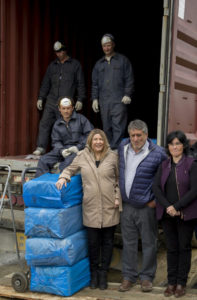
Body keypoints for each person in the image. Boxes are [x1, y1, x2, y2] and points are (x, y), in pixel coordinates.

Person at [56, 128, 122, 290]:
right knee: (93, 244)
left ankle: (103, 275)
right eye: (95, 139)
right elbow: (69, 169)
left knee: (107, 243)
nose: (98, 142)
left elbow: (120, 179)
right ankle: (93, 275)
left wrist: (117, 197)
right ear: (90, 142)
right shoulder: (82, 156)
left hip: (109, 206)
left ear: (104, 141)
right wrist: (64, 176)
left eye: (101, 139)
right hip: (91, 207)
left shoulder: (113, 157)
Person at [118, 119, 166, 293]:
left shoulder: (158, 153)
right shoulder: (123, 147)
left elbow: (166, 178)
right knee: (128, 243)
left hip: (147, 206)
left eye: (139, 135)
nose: (136, 139)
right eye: (132, 135)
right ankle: (128, 277)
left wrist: (157, 200)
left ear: (146, 135)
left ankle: (146, 278)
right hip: (128, 205)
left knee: (149, 243)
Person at [153, 130, 197, 298]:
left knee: (183, 248)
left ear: (184, 145)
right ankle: (171, 283)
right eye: (172, 144)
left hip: (185, 214)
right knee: (171, 249)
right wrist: (168, 207)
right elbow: (156, 188)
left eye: (178, 143)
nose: (175, 147)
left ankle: (181, 283)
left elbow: (194, 190)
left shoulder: (192, 164)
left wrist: (177, 206)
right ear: (168, 147)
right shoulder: (163, 165)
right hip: (167, 214)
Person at [33, 41, 86, 155]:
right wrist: (41, 97)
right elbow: (46, 83)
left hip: (66, 103)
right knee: (45, 123)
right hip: (52, 101)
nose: (59, 54)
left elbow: (80, 83)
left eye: (61, 51)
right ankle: (41, 147)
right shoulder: (52, 66)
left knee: (66, 125)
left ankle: (66, 149)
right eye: (57, 52)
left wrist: (80, 99)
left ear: (65, 50)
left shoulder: (75, 65)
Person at [91, 33, 134, 150]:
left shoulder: (122, 60)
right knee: (107, 127)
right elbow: (94, 83)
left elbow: (129, 78)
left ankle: (116, 150)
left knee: (118, 126)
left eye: (108, 45)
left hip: (119, 100)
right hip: (104, 101)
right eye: (104, 46)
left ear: (113, 45)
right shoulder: (99, 64)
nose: (106, 48)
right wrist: (94, 99)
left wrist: (127, 94)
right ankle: (109, 149)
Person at [35, 97, 93, 177]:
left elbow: (91, 135)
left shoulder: (81, 119)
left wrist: (78, 147)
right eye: (63, 108)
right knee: (43, 160)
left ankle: (61, 186)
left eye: (68, 108)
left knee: (66, 164)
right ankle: (43, 184)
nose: (66, 111)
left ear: (72, 108)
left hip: (78, 151)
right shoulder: (57, 124)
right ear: (59, 109)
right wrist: (61, 150)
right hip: (64, 150)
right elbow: (56, 141)